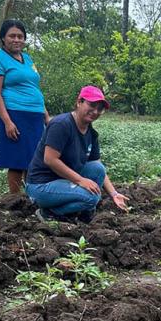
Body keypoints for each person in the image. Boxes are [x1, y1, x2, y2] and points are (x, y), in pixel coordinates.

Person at [25, 86, 129, 223]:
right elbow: (50, 159)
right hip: (41, 185)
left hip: (62, 180)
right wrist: (80, 180)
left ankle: (83, 213)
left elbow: (98, 166)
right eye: (92, 105)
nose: (95, 111)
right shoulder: (61, 124)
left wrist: (114, 194)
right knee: (92, 197)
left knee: (97, 169)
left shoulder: (91, 133)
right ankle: (50, 212)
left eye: (100, 109)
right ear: (79, 102)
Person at [0, 19, 50, 194]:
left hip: (35, 116)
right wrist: (7, 122)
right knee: (17, 161)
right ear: (3, 38)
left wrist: (46, 116)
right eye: (12, 36)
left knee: (35, 160)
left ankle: (32, 197)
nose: (16, 40)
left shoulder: (27, 59)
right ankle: (15, 199)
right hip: (15, 114)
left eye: (20, 36)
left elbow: (34, 88)